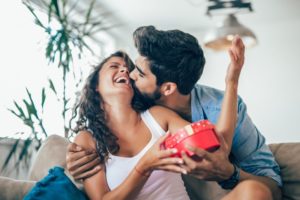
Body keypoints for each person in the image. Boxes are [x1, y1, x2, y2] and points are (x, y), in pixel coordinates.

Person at [67, 26, 282, 199]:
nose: (129, 72)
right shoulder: (88, 139)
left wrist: (232, 83)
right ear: (94, 86)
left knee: (255, 191)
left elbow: (220, 146)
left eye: (138, 73)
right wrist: (71, 162)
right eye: (115, 66)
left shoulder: (159, 115)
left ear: (167, 88)